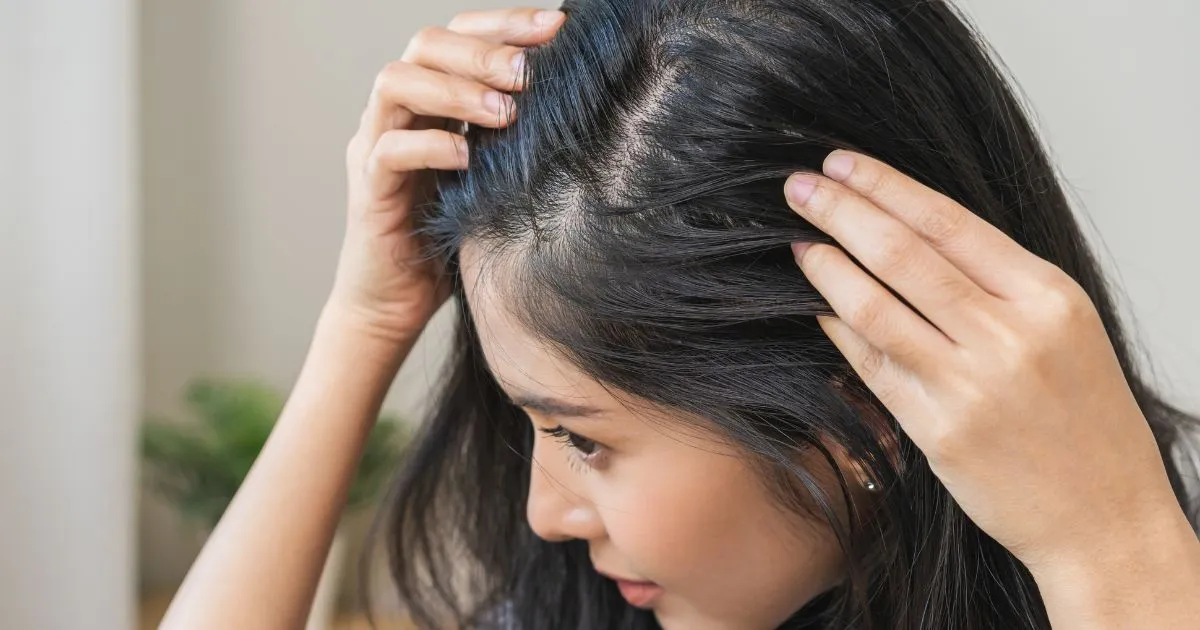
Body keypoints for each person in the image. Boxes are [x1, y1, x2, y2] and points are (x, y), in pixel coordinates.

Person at [159, 2, 1200, 629]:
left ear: (866, 394)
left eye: (580, 436)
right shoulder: (584, 606)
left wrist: (1111, 552)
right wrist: (365, 321)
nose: (545, 513)